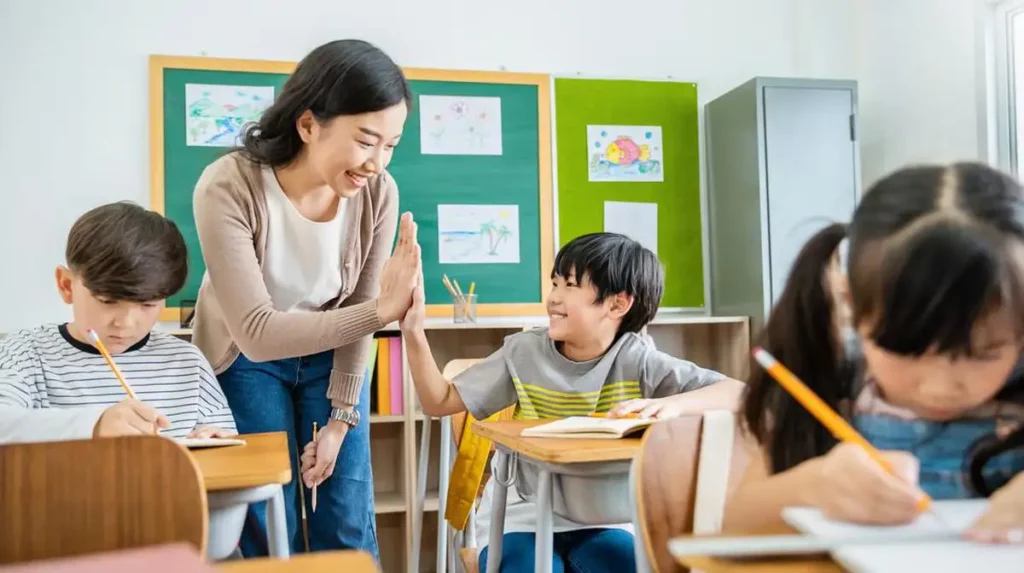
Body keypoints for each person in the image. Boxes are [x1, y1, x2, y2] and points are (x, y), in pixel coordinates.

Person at [190, 39, 420, 558]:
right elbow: (256, 332)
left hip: (332, 353)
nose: (377, 163)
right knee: (269, 513)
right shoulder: (227, 186)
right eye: (366, 140)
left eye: (391, 145)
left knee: (345, 518)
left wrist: (341, 419)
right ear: (309, 123)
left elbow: (360, 304)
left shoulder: (380, 193)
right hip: (245, 356)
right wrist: (381, 311)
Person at [400, 232, 745, 572]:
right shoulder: (524, 352)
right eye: (554, 284)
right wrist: (413, 333)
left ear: (617, 304)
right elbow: (439, 401)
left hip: (606, 517)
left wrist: (674, 406)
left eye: (570, 285)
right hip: (523, 516)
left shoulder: (638, 360)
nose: (553, 298)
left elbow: (739, 392)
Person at [724, 162, 1024, 544]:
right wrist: (812, 487)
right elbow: (734, 529)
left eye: (984, 353)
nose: (940, 386)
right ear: (854, 308)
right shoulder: (831, 386)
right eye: (906, 350)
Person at [0, 201, 236, 443]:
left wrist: (216, 439)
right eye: (108, 301)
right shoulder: (27, 353)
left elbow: (227, 444)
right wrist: (95, 424)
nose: (126, 323)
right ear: (66, 285)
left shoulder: (187, 362)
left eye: (148, 305)